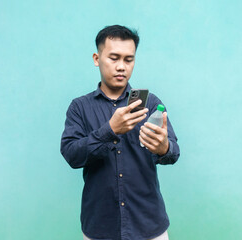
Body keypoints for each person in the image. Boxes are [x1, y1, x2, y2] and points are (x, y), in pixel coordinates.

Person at [60, 25, 180, 240]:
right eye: (114, 58)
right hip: (100, 227)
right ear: (97, 59)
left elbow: (173, 152)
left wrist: (164, 148)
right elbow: (71, 155)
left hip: (149, 225)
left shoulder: (150, 103)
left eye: (128, 59)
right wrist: (110, 130)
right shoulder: (79, 107)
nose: (121, 67)